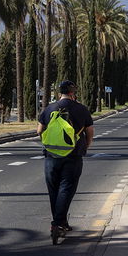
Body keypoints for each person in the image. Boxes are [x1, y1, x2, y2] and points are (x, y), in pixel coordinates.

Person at [37, 80, 94, 243]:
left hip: (51, 156)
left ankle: (61, 222)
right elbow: (90, 131)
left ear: (59, 93)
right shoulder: (81, 109)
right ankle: (57, 224)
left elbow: (39, 130)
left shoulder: (49, 108)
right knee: (66, 188)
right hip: (73, 155)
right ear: (73, 92)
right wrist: (86, 145)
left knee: (54, 189)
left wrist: (49, 143)